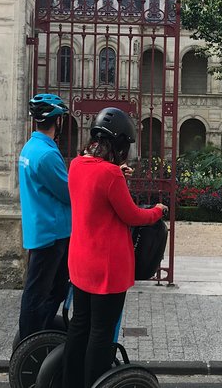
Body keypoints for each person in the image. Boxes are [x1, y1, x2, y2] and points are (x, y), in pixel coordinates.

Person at [62, 107, 167, 388]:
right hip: (106, 269)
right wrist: (157, 210)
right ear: (120, 144)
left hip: (80, 262)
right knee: (101, 332)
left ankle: (70, 381)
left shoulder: (76, 165)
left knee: (79, 326)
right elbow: (132, 215)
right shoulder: (111, 176)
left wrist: (115, 172)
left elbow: (95, 188)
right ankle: (94, 382)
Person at [17, 93, 72, 341]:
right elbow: (68, 192)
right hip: (53, 233)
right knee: (40, 292)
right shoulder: (47, 155)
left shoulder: (31, 148)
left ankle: (40, 333)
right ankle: (32, 341)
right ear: (57, 120)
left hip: (40, 229)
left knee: (52, 287)